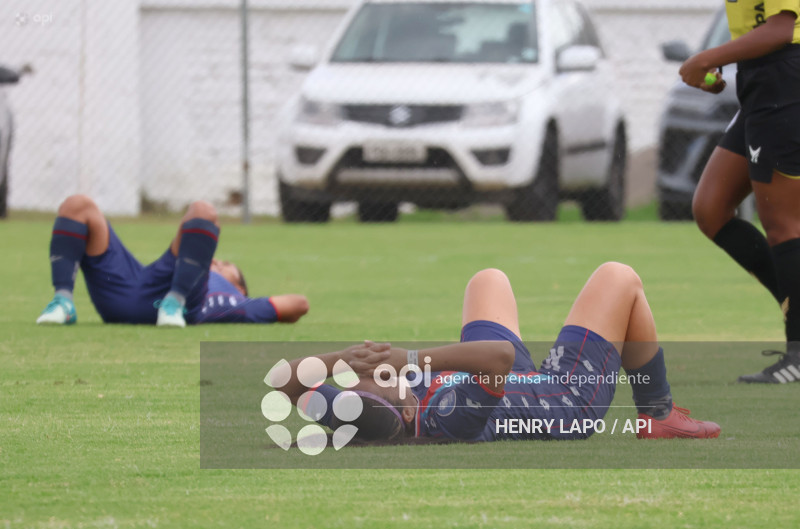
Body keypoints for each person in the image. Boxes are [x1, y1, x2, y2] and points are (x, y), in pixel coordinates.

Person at [277, 263, 720, 443]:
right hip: (562, 400)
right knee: (619, 278)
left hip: (512, 384)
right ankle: (657, 414)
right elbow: (499, 358)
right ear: (409, 410)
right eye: (376, 378)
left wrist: (342, 359)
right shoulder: (447, 414)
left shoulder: (356, 413)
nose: (366, 373)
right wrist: (411, 360)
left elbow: (284, 381)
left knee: (487, 280)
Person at [680, 3, 800, 383]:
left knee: (783, 223)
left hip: (785, 78)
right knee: (710, 208)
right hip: (761, 81)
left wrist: (706, 58)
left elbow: (782, 28)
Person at [36, 194, 309, 327]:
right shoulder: (220, 285)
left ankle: (174, 302)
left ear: (239, 289)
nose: (217, 263)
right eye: (217, 261)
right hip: (130, 290)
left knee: (204, 210)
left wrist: (250, 305)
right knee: (77, 204)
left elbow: (299, 304)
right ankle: (63, 302)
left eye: (226, 267)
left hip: (184, 301)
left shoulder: (239, 303)